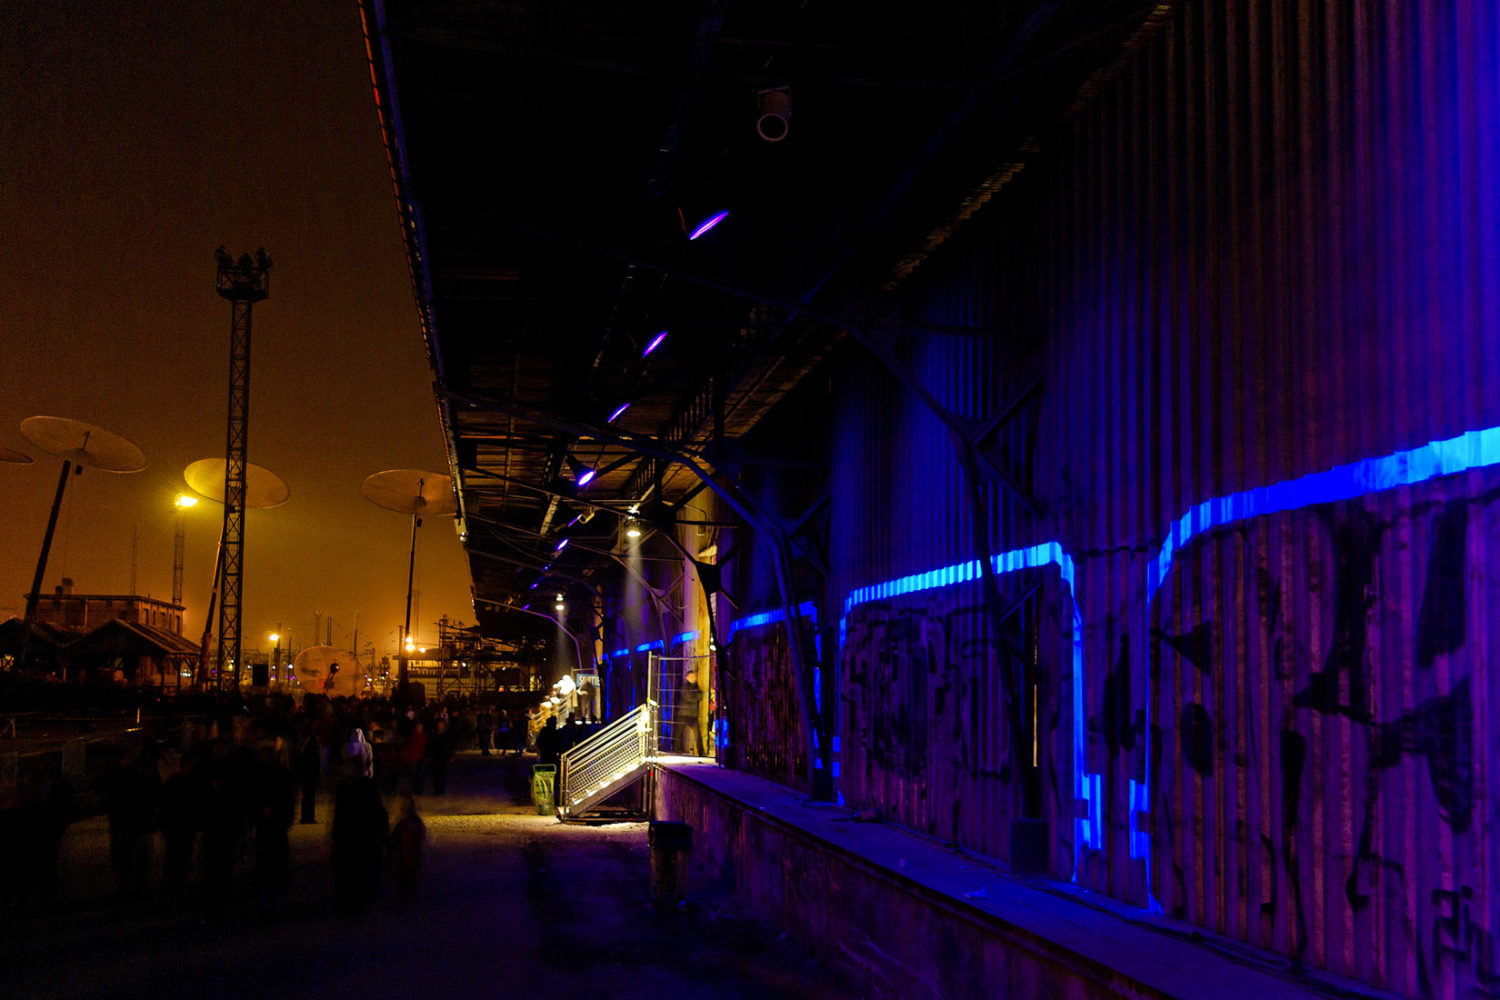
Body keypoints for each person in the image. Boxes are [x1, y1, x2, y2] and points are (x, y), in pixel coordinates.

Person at [389, 793, 425, 911]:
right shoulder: (409, 823)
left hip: (408, 856)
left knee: (406, 878)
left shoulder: (408, 823)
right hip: (405, 857)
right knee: (405, 879)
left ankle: (406, 901)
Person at [674, 669, 703, 756]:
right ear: (687, 677)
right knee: (679, 732)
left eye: (694, 676)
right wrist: (696, 697)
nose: (693, 678)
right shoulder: (684, 687)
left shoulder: (696, 687)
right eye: (691, 676)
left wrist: (695, 697)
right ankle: (677, 750)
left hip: (693, 714)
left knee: (697, 734)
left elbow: (700, 696)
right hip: (684, 713)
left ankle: (701, 752)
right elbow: (689, 698)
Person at [296, 727, 322, 823]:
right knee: (310, 796)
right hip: (311, 773)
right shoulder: (313, 745)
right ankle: (309, 817)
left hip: (305, 773)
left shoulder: (304, 745)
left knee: (306, 795)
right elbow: (317, 760)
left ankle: (305, 816)